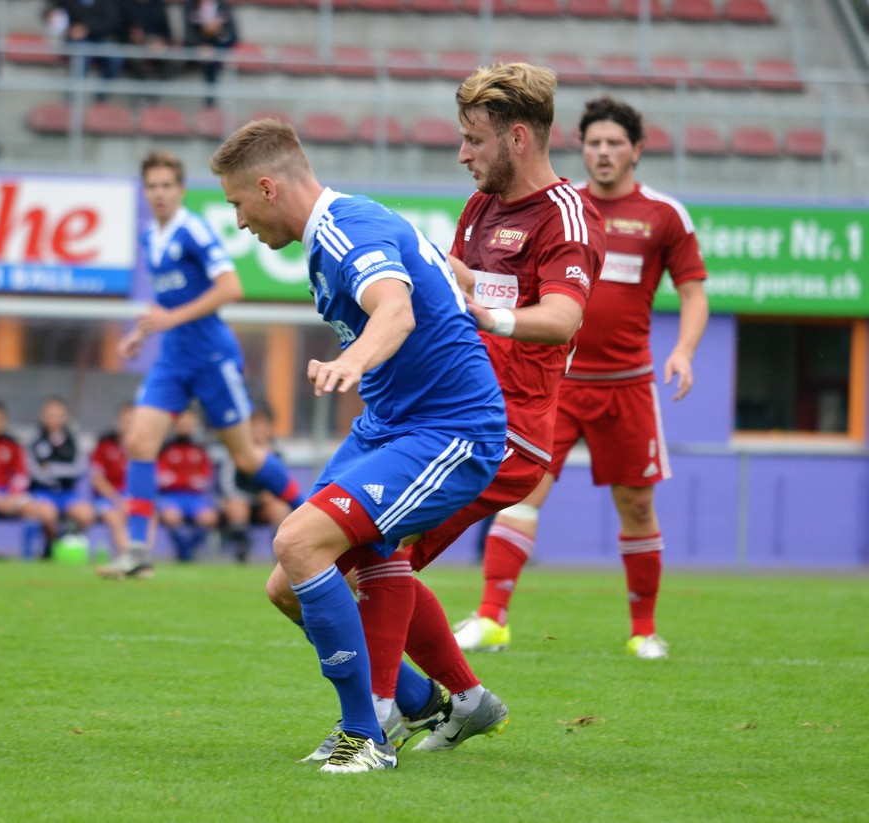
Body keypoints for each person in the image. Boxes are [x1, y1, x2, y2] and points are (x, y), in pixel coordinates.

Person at [263, 62, 606, 761]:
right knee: (308, 574)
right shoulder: (480, 208)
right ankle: (456, 699)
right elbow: (455, 284)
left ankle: (372, 722)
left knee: (371, 552)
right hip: (434, 416)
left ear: (517, 137)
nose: (462, 154)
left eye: (474, 140)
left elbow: (564, 317)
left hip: (502, 430)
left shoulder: (567, 215)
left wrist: (487, 311)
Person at [211, 118, 509, 773]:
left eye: (238, 204)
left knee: (300, 543)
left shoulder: (347, 228)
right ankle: (428, 700)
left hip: (449, 430)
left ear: (267, 188)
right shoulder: (339, 230)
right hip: (390, 425)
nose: (239, 221)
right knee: (287, 584)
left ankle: (366, 733)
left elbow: (395, 310)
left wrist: (352, 361)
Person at [453, 96, 709, 660]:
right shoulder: (557, 208)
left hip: (628, 384)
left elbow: (694, 293)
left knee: (636, 505)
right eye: (594, 142)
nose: (603, 152)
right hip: (557, 381)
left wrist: (685, 352)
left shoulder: (664, 215)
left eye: (615, 143)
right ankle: (491, 618)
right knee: (522, 491)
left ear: (636, 151)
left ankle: (644, 631)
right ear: (582, 148)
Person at [100, 150, 304, 580]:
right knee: (139, 442)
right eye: (151, 186)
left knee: (246, 457)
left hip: (212, 357)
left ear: (180, 190)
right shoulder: (150, 237)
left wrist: (169, 319)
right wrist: (141, 333)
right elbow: (168, 302)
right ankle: (138, 551)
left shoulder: (192, 230)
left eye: (166, 185)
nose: (159, 193)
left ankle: (312, 515)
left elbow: (231, 288)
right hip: (174, 357)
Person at [0, 400, 59, 555]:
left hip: (9, 494)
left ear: (4, 421)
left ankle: (28, 556)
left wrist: (11, 496)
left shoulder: (13, 445)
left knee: (30, 508)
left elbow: (21, 475)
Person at [217, 405, 291, 563]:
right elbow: (226, 484)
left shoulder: (276, 454)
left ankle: (280, 552)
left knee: (279, 508)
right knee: (236, 507)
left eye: (262, 426)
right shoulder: (236, 452)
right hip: (242, 500)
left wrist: (272, 495)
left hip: (265, 505)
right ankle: (241, 549)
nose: (258, 430)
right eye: (254, 426)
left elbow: (285, 483)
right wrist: (247, 498)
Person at [155, 406, 219, 562]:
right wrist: (187, 479)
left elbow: (204, 479)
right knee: (171, 516)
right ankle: (182, 549)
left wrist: (178, 479)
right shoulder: (165, 448)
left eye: (189, 422)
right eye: (182, 421)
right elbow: (162, 479)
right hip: (171, 496)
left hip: (195, 497)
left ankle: (191, 547)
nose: (185, 425)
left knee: (209, 517)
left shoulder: (200, 449)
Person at [29, 395, 96, 540]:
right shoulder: (35, 440)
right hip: (43, 492)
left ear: (65, 417)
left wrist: (52, 469)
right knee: (48, 514)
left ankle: (70, 541)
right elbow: (34, 471)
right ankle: (51, 546)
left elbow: (79, 468)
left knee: (86, 515)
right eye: (50, 415)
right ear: (42, 416)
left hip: (68, 492)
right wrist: (60, 470)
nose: (54, 419)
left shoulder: (74, 440)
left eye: (57, 415)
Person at [44, 0, 126, 99]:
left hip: (98, 38)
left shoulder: (105, 3)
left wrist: (87, 28)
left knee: (116, 58)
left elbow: (112, 22)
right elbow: (54, 14)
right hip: (75, 40)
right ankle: (74, 98)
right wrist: (69, 30)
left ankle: (101, 97)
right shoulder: (64, 2)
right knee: (81, 58)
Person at [90, 402, 134, 570]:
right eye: (125, 420)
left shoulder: (143, 449)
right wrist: (118, 501)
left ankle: (142, 556)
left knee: (149, 514)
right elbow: (97, 479)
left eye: (132, 421)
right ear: (118, 422)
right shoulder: (105, 446)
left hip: (131, 497)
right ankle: (128, 557)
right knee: (115, 517)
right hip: (108, 498)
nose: (128, 425)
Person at [182, 0, 238, 106]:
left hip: (218, 44)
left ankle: (210, 102)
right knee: (208, 56)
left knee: (212, 56)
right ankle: (210, 102)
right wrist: (200, 45)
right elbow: (188, 34)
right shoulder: (190, 5)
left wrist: (217, 29)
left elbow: (233, 33)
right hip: (201, 45)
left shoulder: (222, 5)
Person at [123, 0, 174, 82]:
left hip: (158, 43)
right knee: (134, 58)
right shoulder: (128, 6)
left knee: (172, 59)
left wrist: (161, 41)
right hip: (136, 45)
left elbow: (167, 33)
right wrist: (134, 37)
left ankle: (159, 83)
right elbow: (123, 31)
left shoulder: (159, 6)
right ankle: (145, 83)